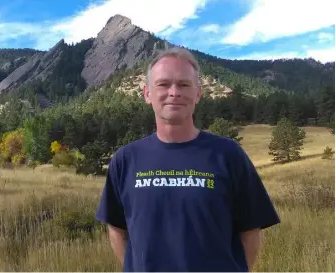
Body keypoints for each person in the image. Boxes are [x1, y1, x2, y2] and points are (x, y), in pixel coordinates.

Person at [95, 47, 280, 272]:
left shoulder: (228, 155)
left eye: (184, 85)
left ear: (198, 94)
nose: (174, 92)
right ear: (147, 94)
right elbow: (116, 228)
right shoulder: (125, 160)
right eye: (163, 84)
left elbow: (250, 230)